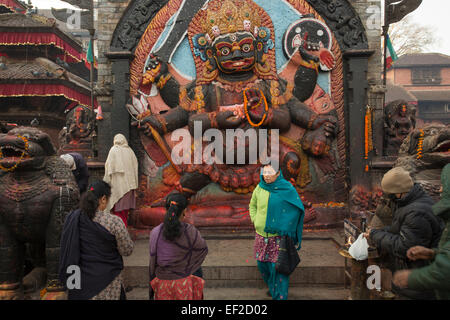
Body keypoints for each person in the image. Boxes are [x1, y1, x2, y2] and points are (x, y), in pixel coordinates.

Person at [364, 166, 443, 300]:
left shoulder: (417, 213)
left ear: (399, 192)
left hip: (418, 284)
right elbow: (401, 229)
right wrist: (378, 231)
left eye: (389, 193)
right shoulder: (411, 202)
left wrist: (376, 236)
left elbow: (404, 247)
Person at [59, 180, 134, 300]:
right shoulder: (114, 222)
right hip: (108, 280)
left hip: (80, 280)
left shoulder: (73, 218)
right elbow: (127, 250)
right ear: (103, 199)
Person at [393, 163, 450, 300]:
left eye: (444, 185)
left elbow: (445, 272)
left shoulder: (416, 212)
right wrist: (433, 254)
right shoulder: (408, 206)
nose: (440, 189)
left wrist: (411, 278)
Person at [249, 165, 305, 300]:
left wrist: (285, 226)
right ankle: (273, 287)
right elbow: (252, 205)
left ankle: (280, 296)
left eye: (270, 173)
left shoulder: (287, 189)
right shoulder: (260, 187)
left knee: (278, 269)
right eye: (264, 172)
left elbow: (297, 208)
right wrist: (256, 220)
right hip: (261, 236)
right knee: (263, 266)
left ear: (278, 173)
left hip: (279, 238)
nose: (266, 176)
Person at [149, 193, 208, 300]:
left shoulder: (155, 232)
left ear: (166, 209)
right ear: (184, 211)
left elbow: (153, 260)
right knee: (197, 269)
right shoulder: (190, 231)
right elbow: (202, 250)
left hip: (162, 284)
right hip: (184, 283)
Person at [104, 134, 138, 227]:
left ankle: (119, 233)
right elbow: (135, 170)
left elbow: (108, 170)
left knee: (117, 212)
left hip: (117, 187)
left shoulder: (113, 150)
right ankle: (123, 231)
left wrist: (106, 184)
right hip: (129, 188)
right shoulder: (130, 151)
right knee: (124, 212)